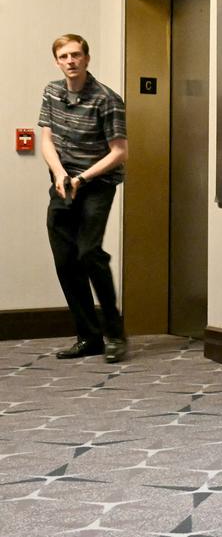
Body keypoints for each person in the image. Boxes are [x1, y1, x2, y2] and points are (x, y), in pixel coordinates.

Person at [39, 34, 129, 365]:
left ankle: (114, 333)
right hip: (63, 180)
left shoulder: (107, 99)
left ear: (87, 59)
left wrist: (81, 178)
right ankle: (88, 336)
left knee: (89, 252)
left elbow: (120, 152)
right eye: (64, 56)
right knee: (65, 260)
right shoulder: (52, 91)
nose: (71, 61)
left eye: (76, 55)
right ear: (57, 61)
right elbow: (46, 140)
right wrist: (61, 174)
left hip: (97, 182)